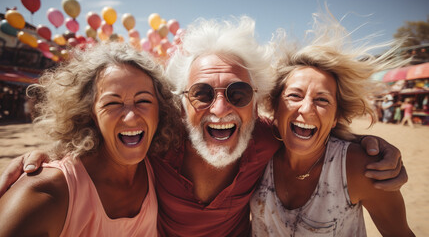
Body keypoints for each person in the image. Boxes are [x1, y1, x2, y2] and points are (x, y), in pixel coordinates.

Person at [0, 17, 407, 237]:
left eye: (237, 93)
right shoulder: (156, 142)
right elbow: (108, 142)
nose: (220, 108)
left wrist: (366, 142)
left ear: (256, 101)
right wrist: (50, 157)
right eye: (201, 93)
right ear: (179, 103)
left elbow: (305, 125)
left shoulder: (265, 138)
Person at [250, 9, 414, 236]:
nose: (306, 109)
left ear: (336, 116)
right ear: (275, 107)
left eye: (322, 100)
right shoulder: (257, 154)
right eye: (295, 96)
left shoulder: (360, 168)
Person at [0, 42, 182, 236]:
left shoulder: (162, 171)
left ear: (161, 110)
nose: (130, 117)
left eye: (143, 101)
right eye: (112, 103)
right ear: (89, 113)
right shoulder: (43, 192)